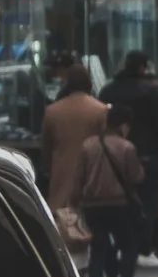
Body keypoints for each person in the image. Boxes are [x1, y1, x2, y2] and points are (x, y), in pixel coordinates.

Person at [76, 109, 146, 277]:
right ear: (124, 125)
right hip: (119, 204)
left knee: (97, 250)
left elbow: (79, 177)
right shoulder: (127, 147)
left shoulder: (88, 145)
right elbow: (136, 177)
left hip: (92, 205)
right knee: (129, 246)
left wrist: (75, 202)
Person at [107, 51, 158, 269]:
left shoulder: (109, 90)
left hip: (113, 153)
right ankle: (143, 247)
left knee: (117, 203)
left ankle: (117, 246)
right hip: (146, 153)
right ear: (143, 67)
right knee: (146, 203)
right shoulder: (150, 93)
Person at [39, 63, 111, 222]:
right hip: (92, 174)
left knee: (62, 223)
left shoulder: (52, 111)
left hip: (61, 172)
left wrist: (48, 168)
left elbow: (46, 146)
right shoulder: (101, 110)